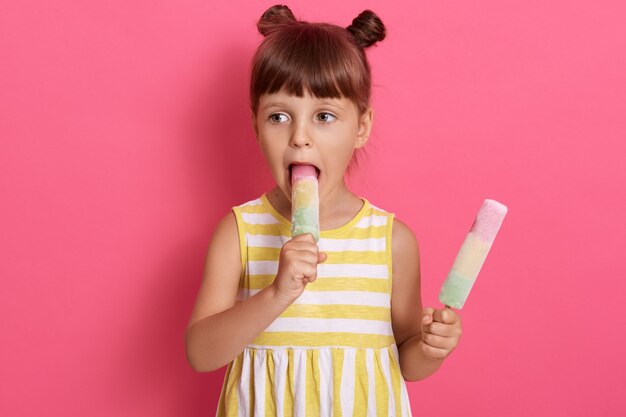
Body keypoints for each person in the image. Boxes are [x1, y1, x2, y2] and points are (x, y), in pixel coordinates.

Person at [185, 5, 463, 416]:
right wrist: (277, 294)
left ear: (361, 127)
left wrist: (432, 348)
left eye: (324, 116)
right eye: (278, 116)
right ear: (255, 126)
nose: (300, 137)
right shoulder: (239, 231)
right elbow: (201, 354)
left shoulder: (392, 240)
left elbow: (407, 361)